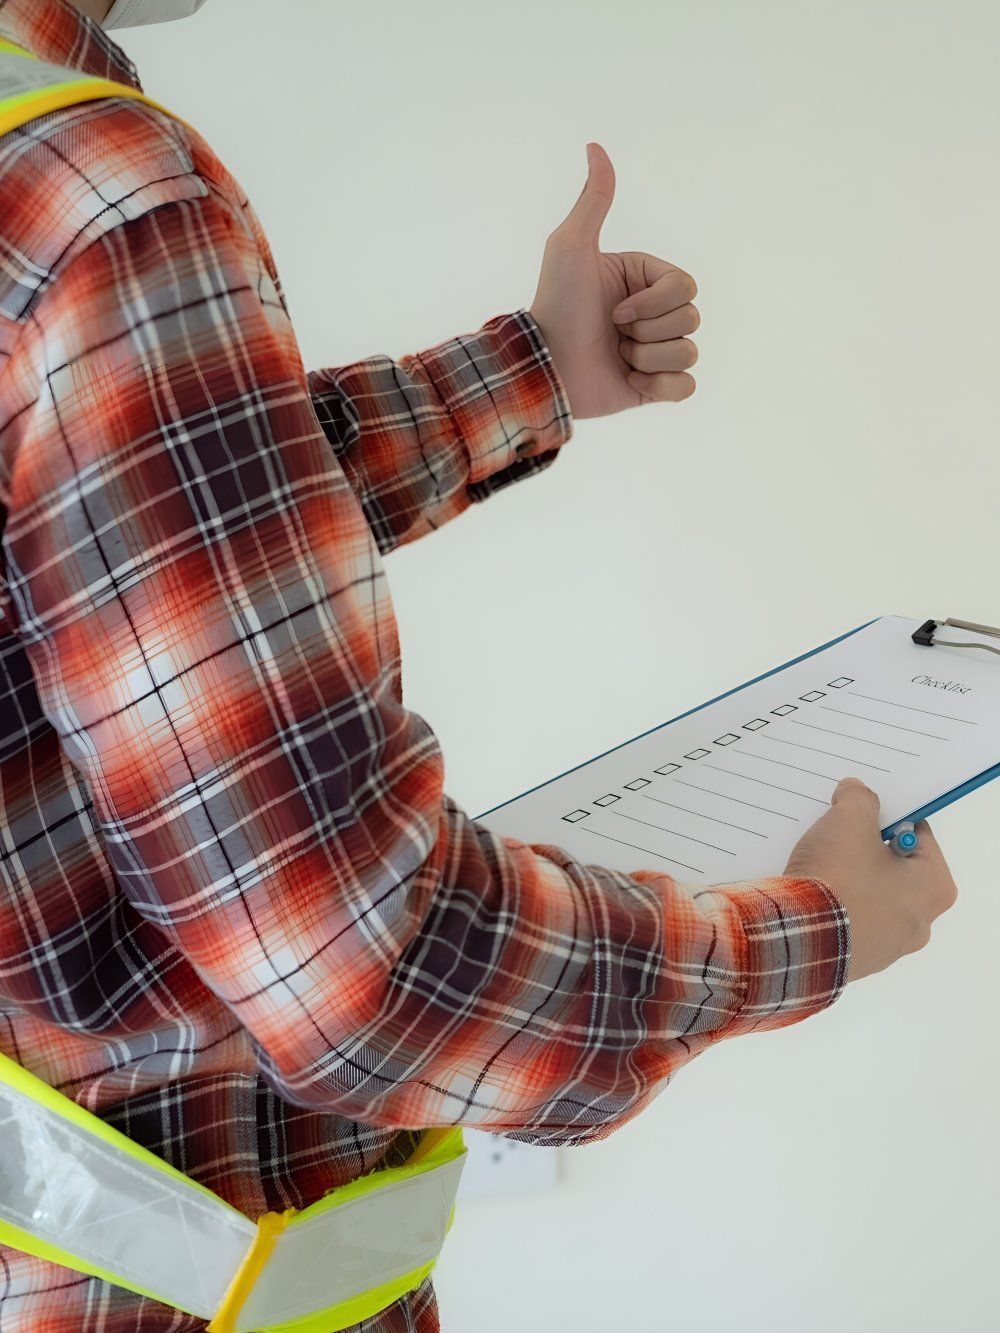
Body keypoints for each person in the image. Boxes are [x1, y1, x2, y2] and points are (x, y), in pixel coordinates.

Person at [0, 0, 958, 1329]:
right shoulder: (93, 202)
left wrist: (533, 373)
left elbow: (108, 545)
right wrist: (815, 935)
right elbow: (367, 968)